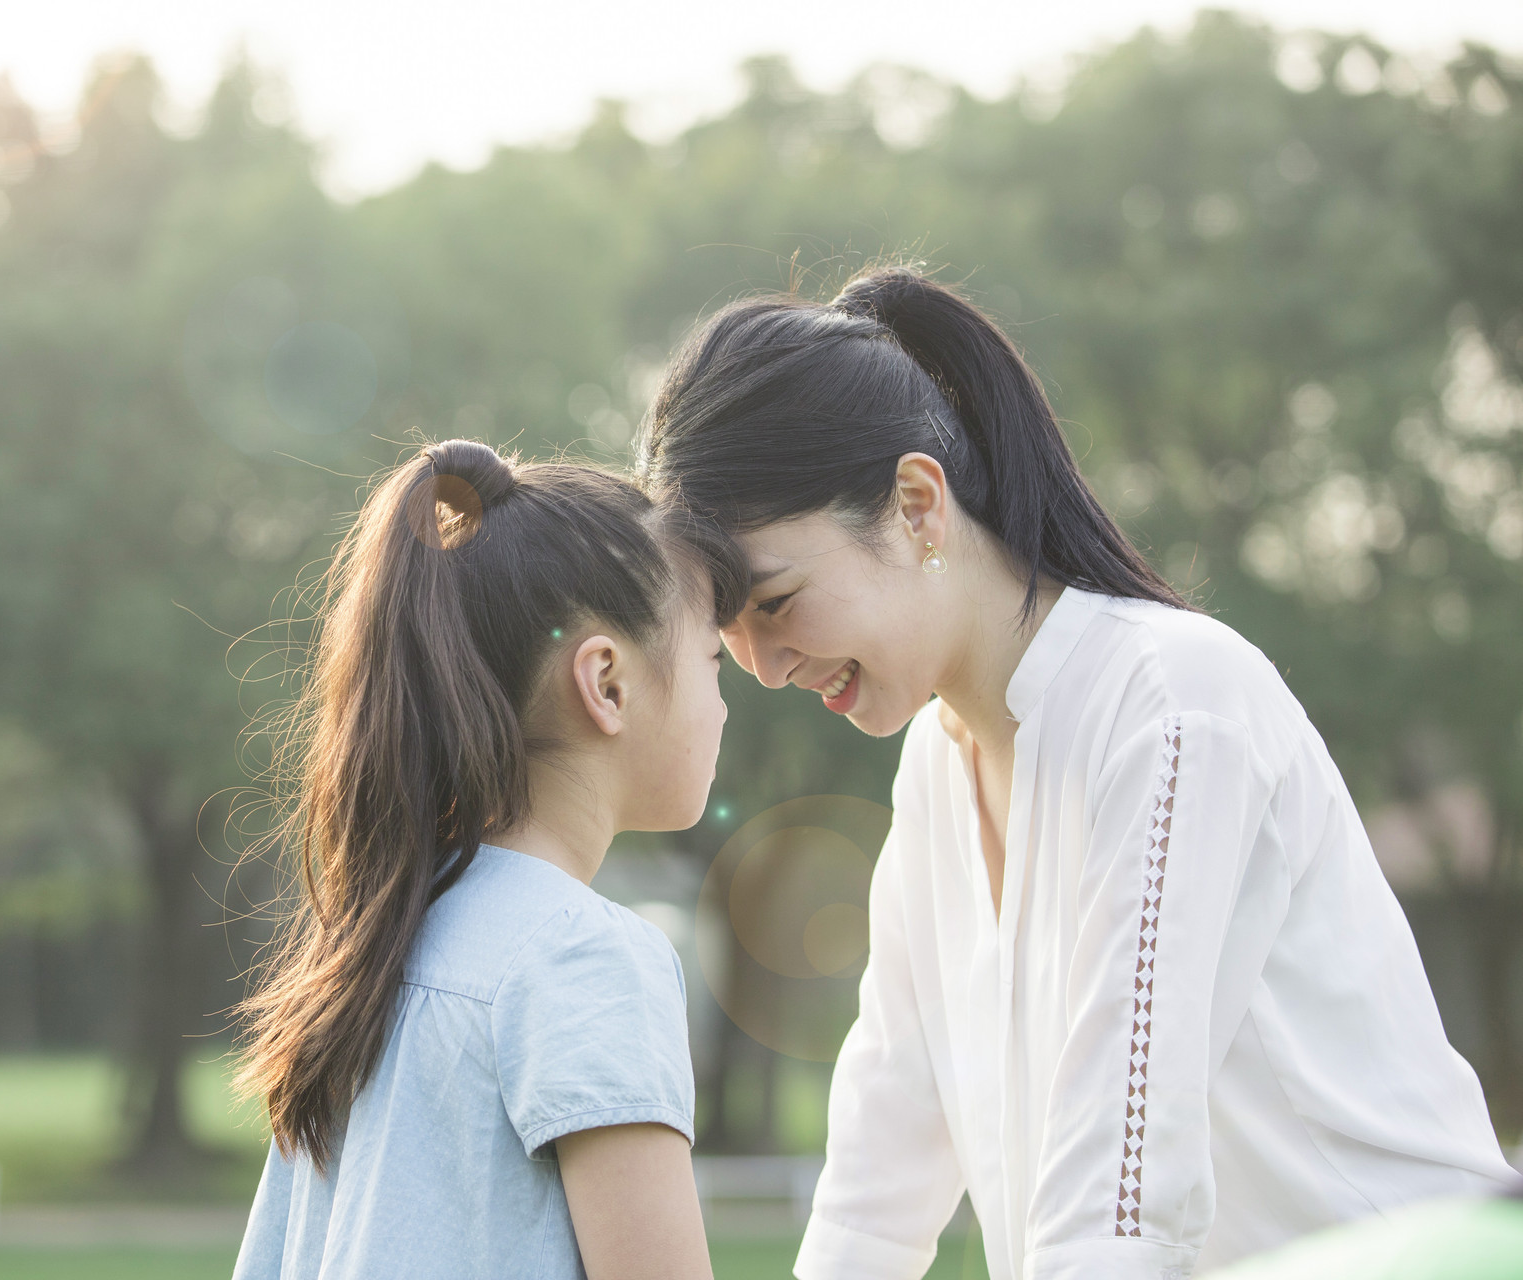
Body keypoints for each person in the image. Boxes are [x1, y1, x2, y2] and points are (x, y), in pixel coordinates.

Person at [637, 267, 1516, 1280]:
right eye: (731, 630)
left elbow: (1121, 1185)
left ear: (919, 505)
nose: (763, 664)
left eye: (778, 601)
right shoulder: (936, 766)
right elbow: (878, 1176)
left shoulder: (1173, 706)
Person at [230, 440, 745, 1280]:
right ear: (607, 684)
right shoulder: (588, 959)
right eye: (713, 664)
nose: (725, 706)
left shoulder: (376, 947)